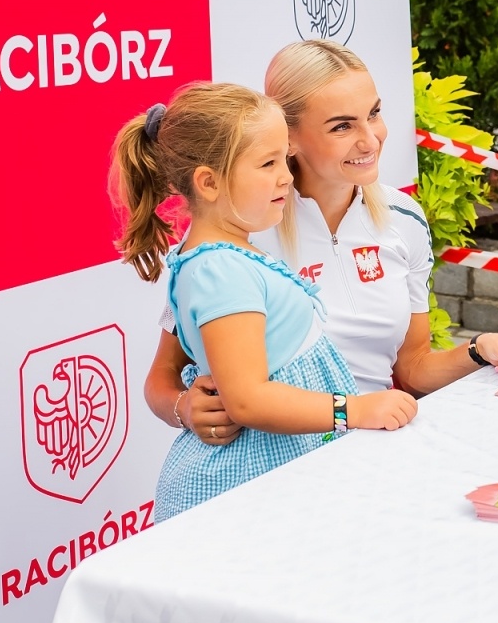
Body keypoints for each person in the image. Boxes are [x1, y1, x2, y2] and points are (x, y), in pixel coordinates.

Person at [146, 40, 498, 449]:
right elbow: (163, 376)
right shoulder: (242, 227)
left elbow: (413, 368)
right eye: (342, 126)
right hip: (273, 461)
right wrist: (184, 408)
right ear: (289, 135)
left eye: (374, 113)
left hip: (372, 449)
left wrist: (482, 351)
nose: (371, 140)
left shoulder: (403, 217)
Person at [111, 83, 418, 524]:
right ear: (210, 182)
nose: (286, 177)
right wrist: (353, 409)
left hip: (281, 473)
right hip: (252, 483)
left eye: (283, 159)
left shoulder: (226, 256)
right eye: (268, 163)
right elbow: (248, 399)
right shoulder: (221, 271)